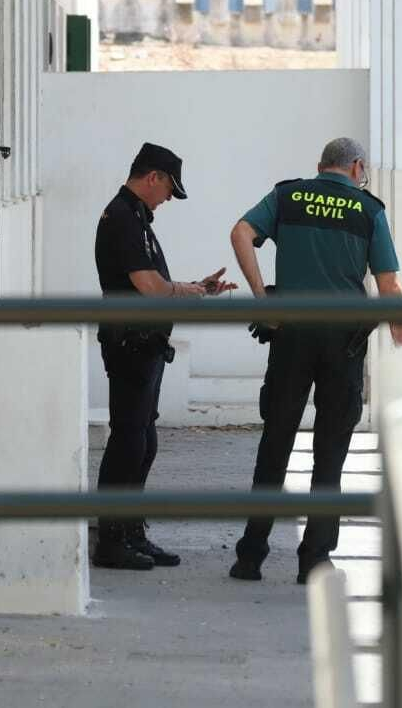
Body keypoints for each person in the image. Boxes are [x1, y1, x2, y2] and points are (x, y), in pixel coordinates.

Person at [226, 136, 402, 583]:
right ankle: (313, 560)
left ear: (320, 166)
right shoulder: (369, 211)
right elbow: (387, 284)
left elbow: (241, 233)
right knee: (330, 452)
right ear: (357, 168)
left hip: (290, 336)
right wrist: (400, 328)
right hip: (341, 342)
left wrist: (261, 299)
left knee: (275, 444)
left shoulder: (288, 196)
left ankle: (250, 556)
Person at [92, 141, 236, 571]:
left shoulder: (136, 217)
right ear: (152, 177)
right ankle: (112, 541)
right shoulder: (121, 218)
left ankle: (131, 533)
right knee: (127, 443)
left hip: (145, 343)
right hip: (130, 343)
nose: (169, 199)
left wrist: (198, 287)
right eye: (169, 189)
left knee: (143, 442)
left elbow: (156, 282)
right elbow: (150, 287)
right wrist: (186, 291)